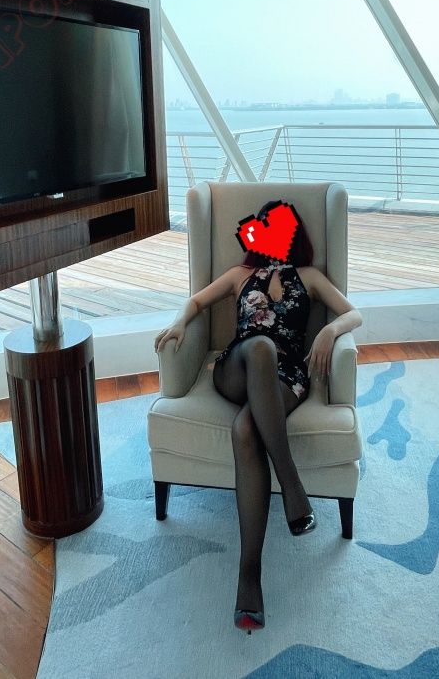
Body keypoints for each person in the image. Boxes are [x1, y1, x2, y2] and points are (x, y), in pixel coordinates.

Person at [154, 200, 363, 634]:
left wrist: (329, 330)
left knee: (245, 429)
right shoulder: (239, 275)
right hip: (237, 367)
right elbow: (196, 300)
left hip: (288, 378)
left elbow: (354, 313)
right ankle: (292, 487)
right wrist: (179, 322)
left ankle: (249, 577)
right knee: (262, 347)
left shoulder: (309, 277)